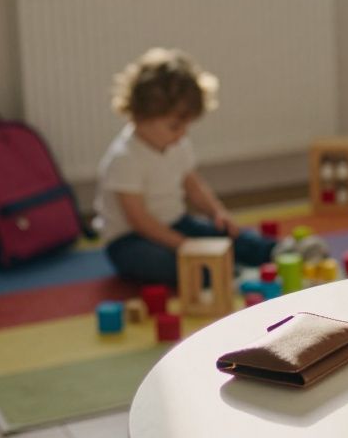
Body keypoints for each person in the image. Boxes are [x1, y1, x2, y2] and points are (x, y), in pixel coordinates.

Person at [95, 48, 320, 286]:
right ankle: (225, 272)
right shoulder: (125, 158)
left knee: (224, 235)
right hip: (130, 240)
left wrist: (217, 212)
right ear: (139, 115)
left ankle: (279, 251)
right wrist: (185, 245)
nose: (182, 134)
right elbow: (140, 221)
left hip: (175, 222)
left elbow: (192, 184)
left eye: (186, 127)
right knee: (166, 263)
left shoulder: (177, 143)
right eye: (173, 126)